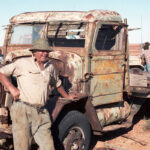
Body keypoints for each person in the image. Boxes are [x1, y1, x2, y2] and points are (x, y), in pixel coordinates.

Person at [0, 38, 76, 150]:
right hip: (23, 111)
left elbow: (57, 83)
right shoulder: (22, 63)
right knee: (22, 147)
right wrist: (12, 88)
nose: (45, 53)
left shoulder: (50, 67)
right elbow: (2, 72)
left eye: (47, 51)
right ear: (34, 52)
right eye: (41, 50)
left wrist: (67, 96)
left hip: (42, 112)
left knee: (48, 147)